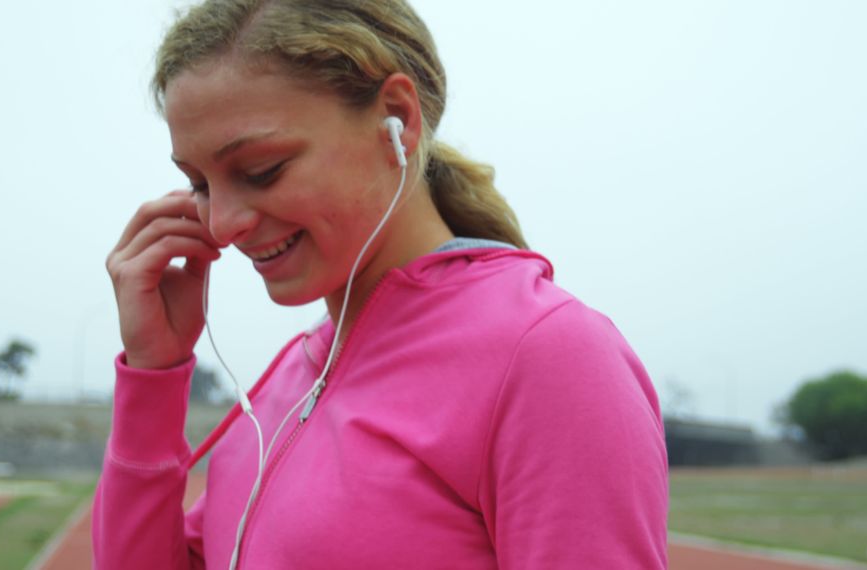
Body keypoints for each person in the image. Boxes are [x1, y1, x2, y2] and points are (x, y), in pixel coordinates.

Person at [94, 0, 668, 568]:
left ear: (398, 117)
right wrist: (153, 375)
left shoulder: (546, 357)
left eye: (260, 170)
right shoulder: (282, 386)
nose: (220, 223)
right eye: (199, 183)